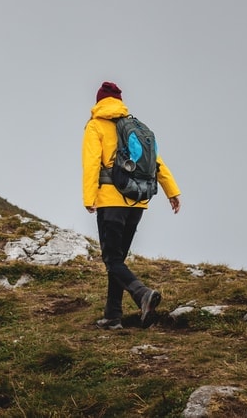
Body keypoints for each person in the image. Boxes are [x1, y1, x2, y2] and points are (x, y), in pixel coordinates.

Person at [82, 81, 181, 329]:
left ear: (98, 102)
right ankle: (113, 316)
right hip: (137, 202)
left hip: (111, 201)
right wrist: (172, 191)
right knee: (118, 260)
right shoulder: (134, 128)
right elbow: (157, 162)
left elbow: (92, 163)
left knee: (112, 260)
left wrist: (89, 197)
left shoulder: (96, 126)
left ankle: (142, 294)